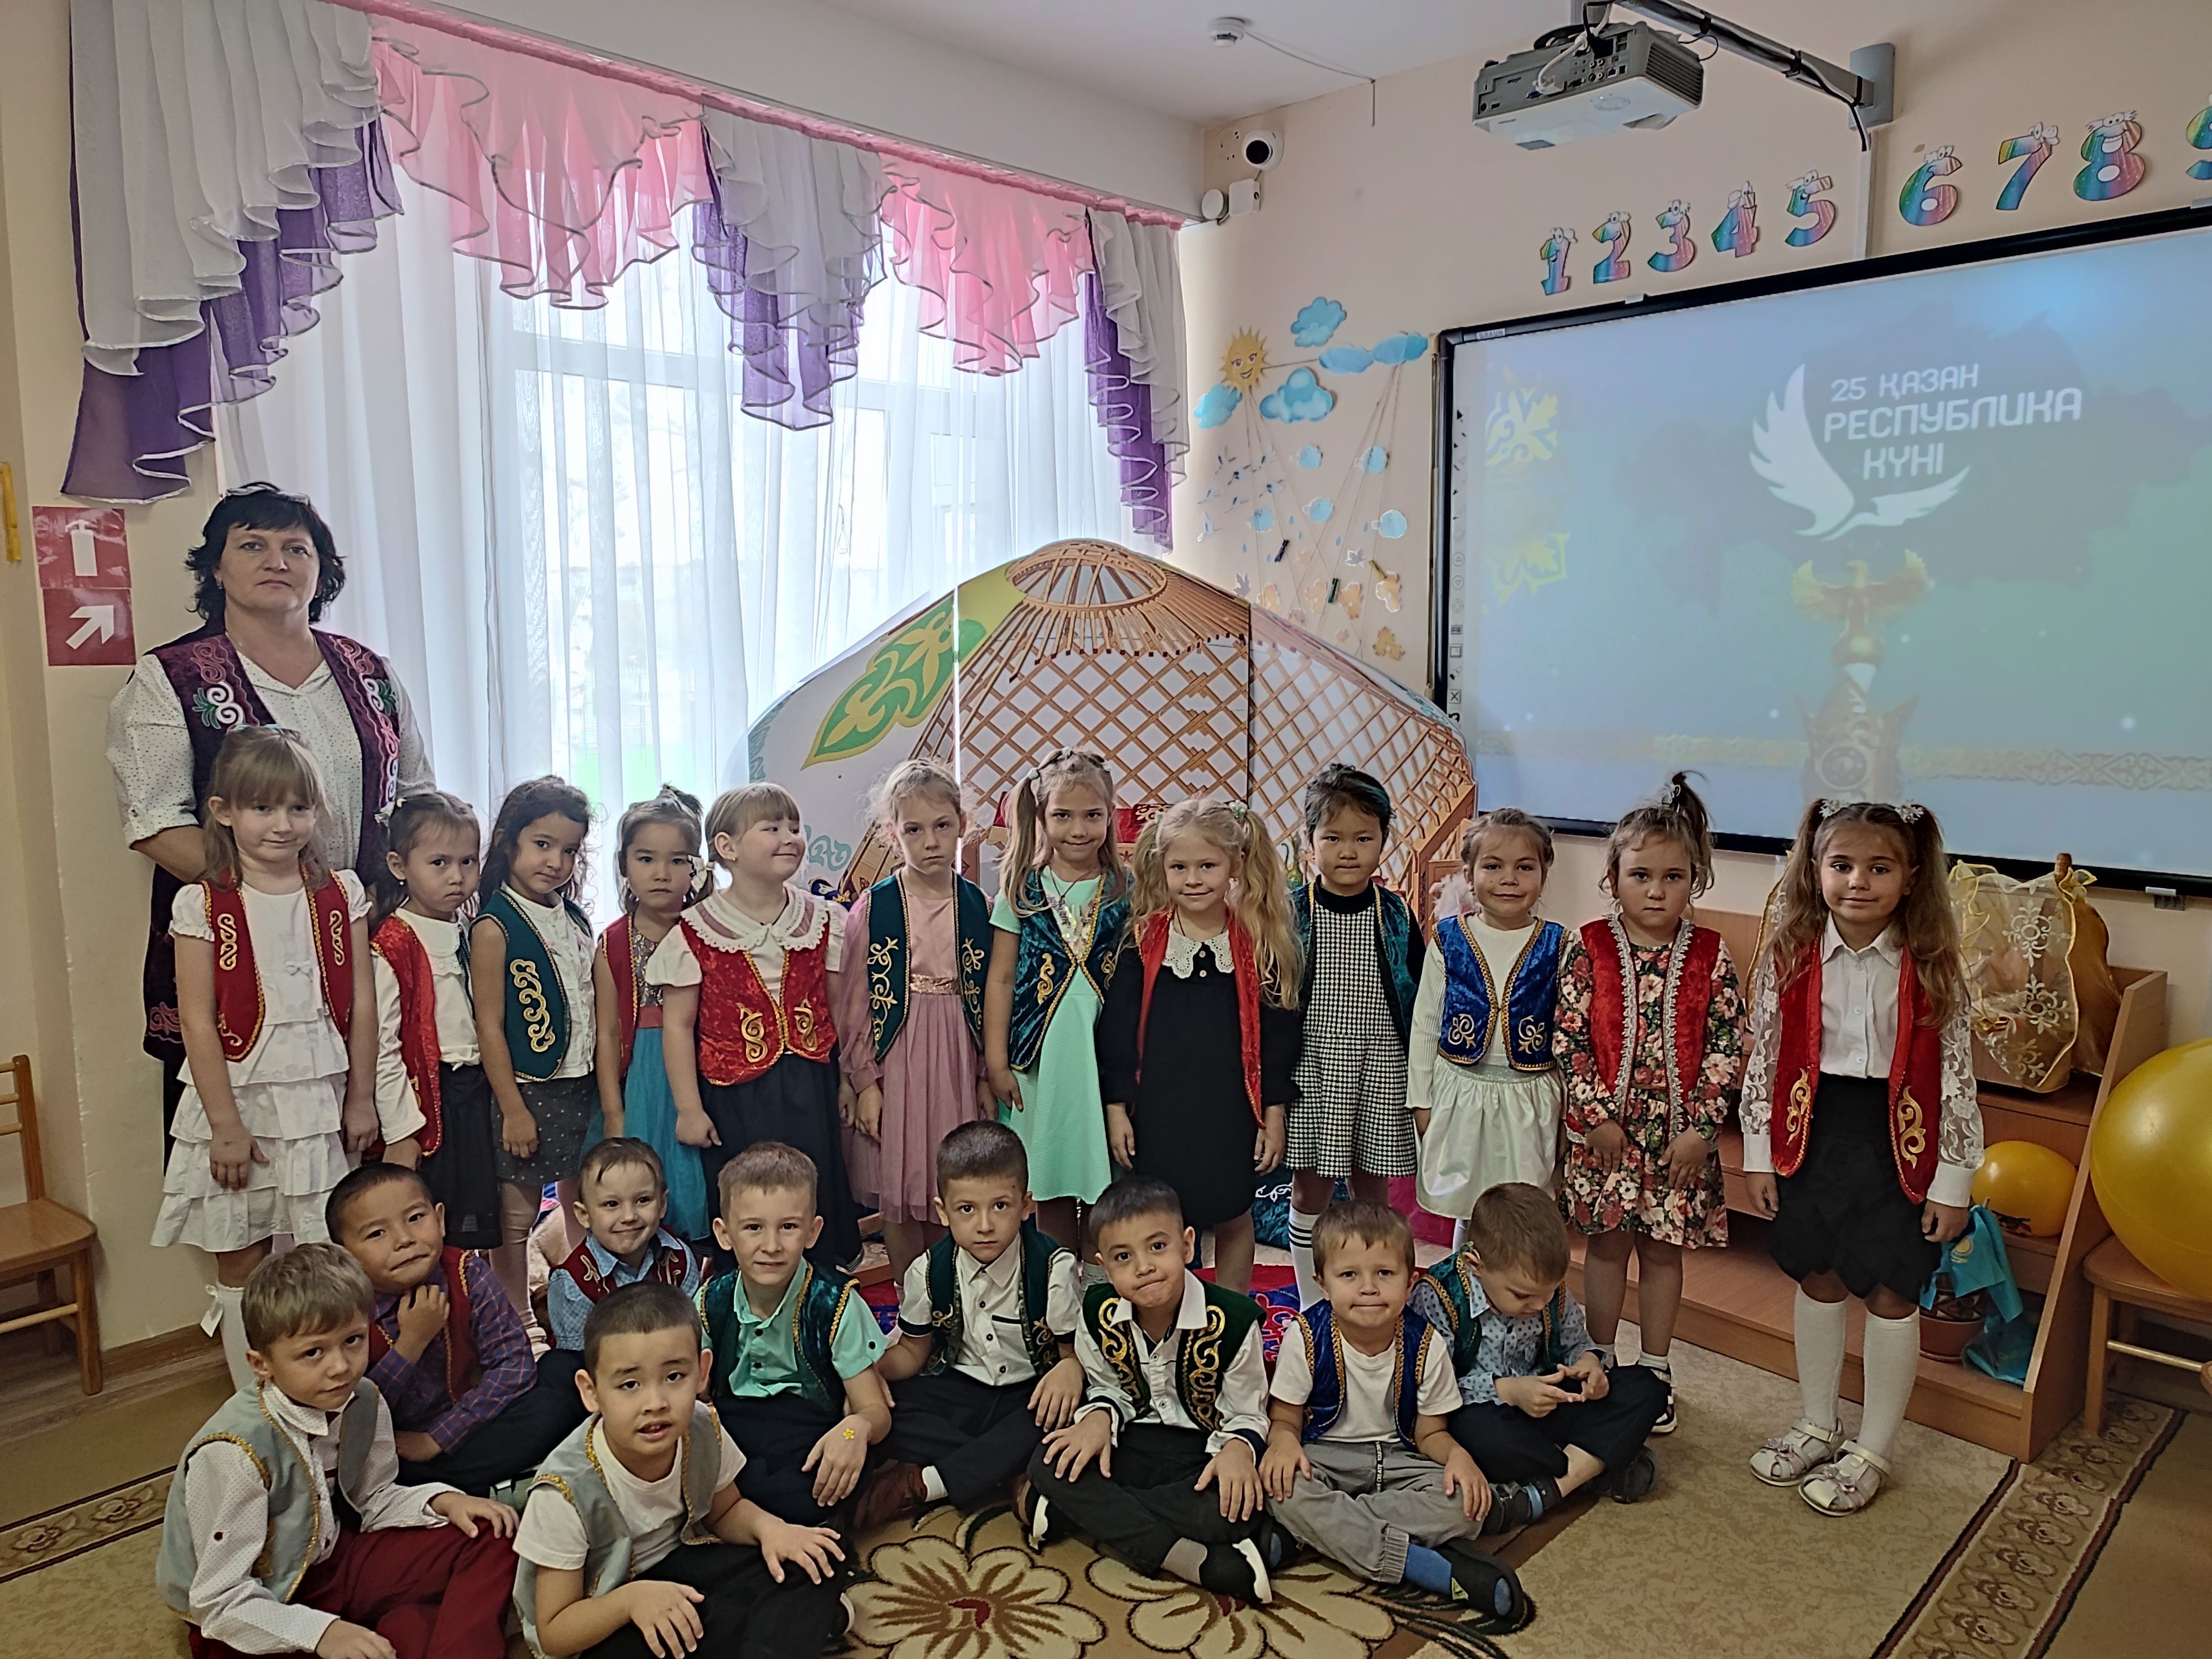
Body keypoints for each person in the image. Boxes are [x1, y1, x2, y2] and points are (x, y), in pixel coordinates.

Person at [107, 483, 432, 1151]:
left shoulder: (370, 673)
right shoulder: (171, 678)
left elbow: (417, 797)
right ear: (216, 569)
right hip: (240, 953)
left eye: (297, 549)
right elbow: (155, 820)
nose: (277, 561)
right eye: (252, 545)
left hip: (364, 943)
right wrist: (284, 903)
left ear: (322, 572)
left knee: (372, 1153)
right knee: (246, 1169)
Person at [1740, 799, 1983, 1515]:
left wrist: (1954, 1181)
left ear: (1911, 878)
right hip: (1813, 1135)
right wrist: (1759, 1154)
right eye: (1841, 865)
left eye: (1879, 868)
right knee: (1818, 1277)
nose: (1857, 882)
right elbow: (1765, 1061)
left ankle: (1873, 1448)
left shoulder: (1933, 965)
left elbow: (1957, 1079)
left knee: (1891, 1291)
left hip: (1899, 1145)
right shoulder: (1788, 955)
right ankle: (1819, 1423)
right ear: (1814, 870)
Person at [155, 1243, 518, 1659]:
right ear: (261, 1364)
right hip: (255, 1604)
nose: (341, 1366)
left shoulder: (363, 1399)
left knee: (489, 1531)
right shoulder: (235, 1452)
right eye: (313, 1353)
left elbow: (373, 1498)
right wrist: (321, 1633)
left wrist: (443, 1501)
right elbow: (217, 1601)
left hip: (333, 1566)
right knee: (408, 1633)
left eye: (352, 1341)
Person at [151, 727, 377, 1389]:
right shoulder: (205, 903)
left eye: (298, 808)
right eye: (263, 808)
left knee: (324, 1252)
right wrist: (224, 1125)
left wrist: (360, 1097)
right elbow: (197, 1020)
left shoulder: (339, 895)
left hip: (317, 1101)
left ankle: (328, 1391)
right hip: (238, 1103)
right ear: (224, 811)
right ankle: (254, 1400)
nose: (283, 824)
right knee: (241, 1253)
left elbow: (363, 1005)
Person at [512, 1282, 847, 1659]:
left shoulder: (700, 1426)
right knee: (671, 1636)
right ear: (591, 1392)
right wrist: (632, 1602)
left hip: (684, 1567)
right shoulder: (565, 1489)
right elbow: (556, 1632)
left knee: (820, 1555)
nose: (655, 1403)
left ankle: (762, 1634)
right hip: (606, 1609)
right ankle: (780, 1630)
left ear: (702, 1372)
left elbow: (726, 1511)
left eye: (674, 1377)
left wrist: (772, 1530)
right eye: (629, 1384)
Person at [1554, 773, 1745, 1433]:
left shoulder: (1711, 955)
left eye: (1673, 877)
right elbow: (1569, 1037)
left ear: (1695, 880)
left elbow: (1727, 1043)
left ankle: (1656, 1369)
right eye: (1640, 876)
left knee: (1663, 1253)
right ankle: (1600, 1359)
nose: (1656, 891)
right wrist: (1594, 1120)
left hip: (1677, 1145)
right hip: (1605, 1140)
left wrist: (1701, 1130)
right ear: (1613, 878)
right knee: (1606, 1247)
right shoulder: (1587, 946)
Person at [1262, 1201, 1527, 1629]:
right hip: (1327, 1458)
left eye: (1385, 1273)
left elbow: (1430, 1434)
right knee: (1280, 1486)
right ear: (1322, 1284)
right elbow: (1285, 1418)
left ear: (1409, 1284)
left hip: (1399, 1459)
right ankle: (1421, 1567)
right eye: (1349, 1275)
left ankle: (1318, 1531)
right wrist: (1282, 1441)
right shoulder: (1306, 1336)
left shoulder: (1426, 1343)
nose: (1369, 1288)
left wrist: (1457, 1456)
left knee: (1467, 1504)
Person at [1025, 1176, 1278, 1605]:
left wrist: (1238, 1450)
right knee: (1047, 1462)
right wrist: (1099, 1417)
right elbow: (1108, 1387)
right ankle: (1191, 1560)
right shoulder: (1097, 1310)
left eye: (1158, 1247)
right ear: (1104, 1267)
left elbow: (1247, 1414)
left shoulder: (1234, 1321)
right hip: (1134, 1443)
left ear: (1187, 1245)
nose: (1143, 1267)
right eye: (1124, 1257)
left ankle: (1085, 1512)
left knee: (1234, 1506)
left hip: (1201, 1452)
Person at [1097, 800, 1303, 1295]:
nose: (1193, 880)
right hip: (1159, 1113)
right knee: (1162, 1219)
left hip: (1230, 1112)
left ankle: (1232, 1317)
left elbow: (1278, 1039)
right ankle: (1171, 1316)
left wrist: (1273, 1114)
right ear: (1162, 868)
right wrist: (1116, 1107)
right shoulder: (1144, 941)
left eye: (1207, 866)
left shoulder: (1256, 942)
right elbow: (1118, 1032)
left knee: (1232, 1212)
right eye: (1180, 868)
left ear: (1235, 865)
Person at [651, 785, 861, 1269]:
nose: (789, 838)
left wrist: (848, 1080)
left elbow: (838, 1011)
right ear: (727, 847)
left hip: (810, 1083)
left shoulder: (822, 920)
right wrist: (689, 1109)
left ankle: (819, 1279)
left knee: (813, 1181)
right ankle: (749, 1280)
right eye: (772, 828)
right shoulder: (696, 930)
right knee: (748, 1190)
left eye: (794, 828)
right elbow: (678, 1027)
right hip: (734, 1095)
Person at [859, 1121, 1085, 1529]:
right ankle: (1013, 1472)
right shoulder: (928, 1271)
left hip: (1029, 1394)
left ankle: (926, 1483)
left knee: (1068, 1412)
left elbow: (1070, 1356)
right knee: (887, 1409)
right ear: (943, 1212)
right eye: (967, 1209)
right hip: (958, 1389)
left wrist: (1071, 1368)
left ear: (1026, 1205)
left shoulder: (1053, 1269)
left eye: (1000, 1206)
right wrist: (870, 1373)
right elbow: (913, 1351)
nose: (985, 1225)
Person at [327, 1164, 588, 1496]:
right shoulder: (343, 1310)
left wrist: (437, 1439)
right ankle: (483, 1487)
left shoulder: (467, 1273)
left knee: (566, 1372)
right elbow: (348, 1410)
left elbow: (514, 1366)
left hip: (478, 1422)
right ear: (344, 1255)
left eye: (415, 1218)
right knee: (362, 1464)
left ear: (440, 1219)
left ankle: (451, 1489)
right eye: (377, 1234)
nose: (404, 1240)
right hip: (396, 1444)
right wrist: (411, 1344)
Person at [1416, 1182, 1668, 1518]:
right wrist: (1507, 1391)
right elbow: (1428, 1391)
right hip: (1482, 1412)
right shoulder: (1438, 1297)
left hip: (1549, 1403)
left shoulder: (1546, 1290)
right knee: (1485, 1440)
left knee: (1647, 1387)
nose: (1538, 1305)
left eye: (1548, 1293)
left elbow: (1577, 1342)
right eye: (1522, 1296)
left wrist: (1590, 1364)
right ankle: (1598, 1463)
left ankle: (1553, 1486)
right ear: (1476, 1264)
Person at [836, 759, 997, 1279]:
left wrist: (983, 1075)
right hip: (899, 1057)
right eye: (914, 830)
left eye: (942, 826)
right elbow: (855, 1003)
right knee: (903, 1186)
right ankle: (914, 1300)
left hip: (956, 1056)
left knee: (957, 1179)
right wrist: (866, 1082)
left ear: (962, 825)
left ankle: (954, 1290)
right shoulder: (875, 907)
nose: (930, 842)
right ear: (892, 834)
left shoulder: (978, 906)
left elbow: (990, 997)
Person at [1285, 765, 1426, 1311]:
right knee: (1311, 1190)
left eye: (1364, 839)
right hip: (1314, 1069)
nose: (1349, 851)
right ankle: (1311, 1305)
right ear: (1309, 842)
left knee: (1373, 1190)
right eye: (1333, 838)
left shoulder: (1395, 915)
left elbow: (1418, 997)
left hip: (1380, 1066)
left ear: (1384, 840)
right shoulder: (1293, 912)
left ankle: (1375, 1294)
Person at [693, 1142, 893, 1527]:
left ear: (812, 1232)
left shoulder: (835, 1302)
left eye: (788, 1227)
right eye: (753, 1228)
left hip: (810, 1429)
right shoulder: (709, 1301)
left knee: (828, 1479)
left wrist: (855, 1430)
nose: (771, 1246)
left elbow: (874, 1410)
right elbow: (694, 1397)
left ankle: (744, 1521)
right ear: (724, 1233)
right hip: (734, 1426)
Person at [983, 749, 1133, 1257]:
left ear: (1110, 816)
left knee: (1105, 1185)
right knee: (1050, 1181)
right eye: (1063, 816)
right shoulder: (1022, 890)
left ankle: (1100, 1283)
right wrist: (996, 1062)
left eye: (1092, 815)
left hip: (1101, 1059)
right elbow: (1001, 979)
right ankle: (1058, 1283)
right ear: (1042, 816)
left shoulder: (1126, 890)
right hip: (1040, 1062)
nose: (1079, 829)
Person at [1410, 808, 1568, 1242]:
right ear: (1469, 873)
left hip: (1529, 1098)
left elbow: (1570, 1032)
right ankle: (1464, 1278)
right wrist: (1421, 1100)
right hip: (1462, 1092)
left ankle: (1515, 1282)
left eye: (1525, 868)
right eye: (1493, 867)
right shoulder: (1448, 939)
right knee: (1469, 1206)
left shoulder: (1560, 944)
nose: (1509, 879)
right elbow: (1426, 1023)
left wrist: (1567, 1114)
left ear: (1544, 874)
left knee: (1522, 1208)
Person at [471, 777, 598, 1311]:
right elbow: (489, 1026)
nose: (555, 861)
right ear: (509, 841)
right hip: (528, 1089)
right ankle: (516, 1314)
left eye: (568, 850)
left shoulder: (574, 916)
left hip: (580, 1083)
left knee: (582, 1197)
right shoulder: (494, 926)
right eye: (542, 844)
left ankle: (586, 1298)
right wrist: (513, 1109)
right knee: (518, 1212)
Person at [371, 789, 503, 1248]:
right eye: (439, 863)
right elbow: (384, 1048)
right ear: (399, 865)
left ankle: (473, 1289)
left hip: (475, 1091)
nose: (457, 877)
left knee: (475, 1217)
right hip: (428, 1099)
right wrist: (401, 1130)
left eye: (468, 862)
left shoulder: (471, 927)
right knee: (431, 1216)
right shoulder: (393, 943)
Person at [591, 787, 712, 1245]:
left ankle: (701, 1263)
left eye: (677, 860)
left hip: (701, 1064)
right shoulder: (613, 943)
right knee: (644, 1171)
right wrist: (613, 1111)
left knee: (699, 1176)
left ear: (695, 867)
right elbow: (608, 1032)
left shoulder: (709, 930)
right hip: (642, 1075)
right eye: (646, 859)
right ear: (624, 865)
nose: (662, 873)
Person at [545, 1139, 702, 1354]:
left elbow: (693, 1335)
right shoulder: (573, 1283)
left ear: (662, 1205)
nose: (629, 1217)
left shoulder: (679, 1257)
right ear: (584, 1215)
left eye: (643, 1200)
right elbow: (578, 1358)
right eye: (611, 1204)